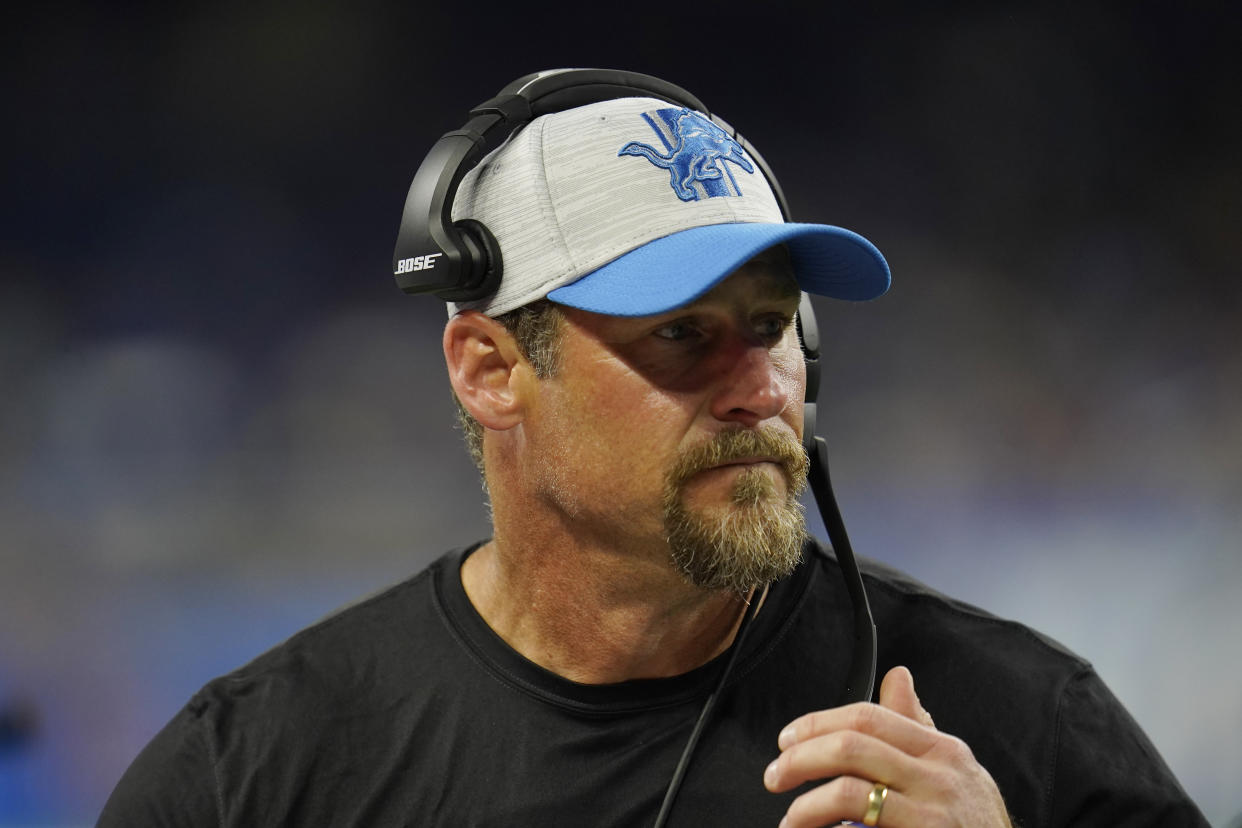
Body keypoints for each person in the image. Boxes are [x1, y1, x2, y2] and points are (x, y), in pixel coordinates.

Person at [98, 70, 1207, 827]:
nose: (759, 390)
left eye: (772, 327)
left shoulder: (1007, 724)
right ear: (490, 369)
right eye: (681, 334)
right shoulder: (257, 773)